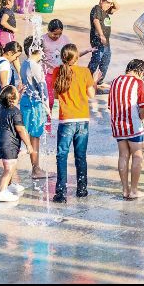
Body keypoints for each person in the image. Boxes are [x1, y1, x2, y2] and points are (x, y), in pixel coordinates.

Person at [52, 43, 96, 203]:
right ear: (77, 57)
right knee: (80, 156)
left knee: (62, 155)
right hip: (83, 119)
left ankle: (61, 192)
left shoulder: (57, 71)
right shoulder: (85, 72)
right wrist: (94, 81)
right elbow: (91, 95)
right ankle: (82, 189)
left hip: (66, 120)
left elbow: (56, 95)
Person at [109, 59, 144, 200]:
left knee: (123, 155)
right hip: (133, 125)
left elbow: (110, 105)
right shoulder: (138, 83)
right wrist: (140, 118)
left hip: (118, 125)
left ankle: (125, 190)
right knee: (137, 155)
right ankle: (134, 191)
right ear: (141, 71)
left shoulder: (114, 81)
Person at [0, 85, 33, 202]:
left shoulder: (2, 107)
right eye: (17, 93)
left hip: (0, 140)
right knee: (9, 169)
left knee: (10, 165)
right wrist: (29, 145)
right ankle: (1, 192)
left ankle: (8, 186)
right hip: (8, 143)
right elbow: (21, 130)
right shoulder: (16, 112)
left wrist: (16, 94)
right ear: (12, 99)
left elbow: (10, 101)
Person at [20, 36, 51, 179]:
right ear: (35, 49)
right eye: (41, 50)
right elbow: (42, 87)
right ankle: (36, 169)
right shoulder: (35, 66)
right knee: (35, 137)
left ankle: (35, 167)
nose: (43, 53)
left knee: (31, 136)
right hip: (35, 104)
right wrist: (46, 106)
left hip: (26, 101)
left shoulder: (24, 64)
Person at [89, 0, 118, 89]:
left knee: (105, 61)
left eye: (111, 3)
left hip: (106, 42)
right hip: (97, 40)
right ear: (101, 0)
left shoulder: (106, 11)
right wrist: (101, 35)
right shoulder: (96, 9)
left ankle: (99, 81)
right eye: (107, 3)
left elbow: (117, 7)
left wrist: (112, 1)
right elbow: (96, 21)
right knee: (96, 60)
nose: (109, 5)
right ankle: (87, 80)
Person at [0, 41, 23, 120]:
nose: (16, 59)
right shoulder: (4, 65)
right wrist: (16, 94)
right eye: (16, 56)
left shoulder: (0, 61)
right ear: (10, 53)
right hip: (3, 101)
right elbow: (4, 85)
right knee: (6, 124)